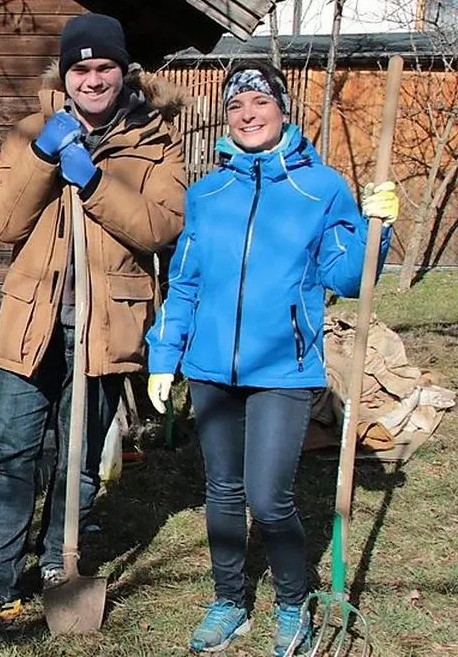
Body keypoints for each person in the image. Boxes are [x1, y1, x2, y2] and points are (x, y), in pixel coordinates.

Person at [0, 13, 187, 628]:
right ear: (66, 74)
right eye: (81, 68)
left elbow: (162, 228)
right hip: (34, 322)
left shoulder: (155, 141)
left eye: (105, 67)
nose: (93, 79)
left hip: (105, 325)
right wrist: (43, 159)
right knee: (13, 453)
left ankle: (60, 565)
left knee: (77, 458)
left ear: (123, 71)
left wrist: (98, 182)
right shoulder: (30, 131)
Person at [145, 59, 398, 655]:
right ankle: (229, 600)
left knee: (269, 498)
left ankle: (292, 603)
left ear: (282, 110)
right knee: (223, 493)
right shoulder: (208, 193)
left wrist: (376, 228)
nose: (247, 114)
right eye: (236, 105)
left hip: (284, 368)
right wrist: (165, 353)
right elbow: (185, 281)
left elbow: (348, 276)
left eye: (259, 102)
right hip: (210, 370)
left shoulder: (322, 188)